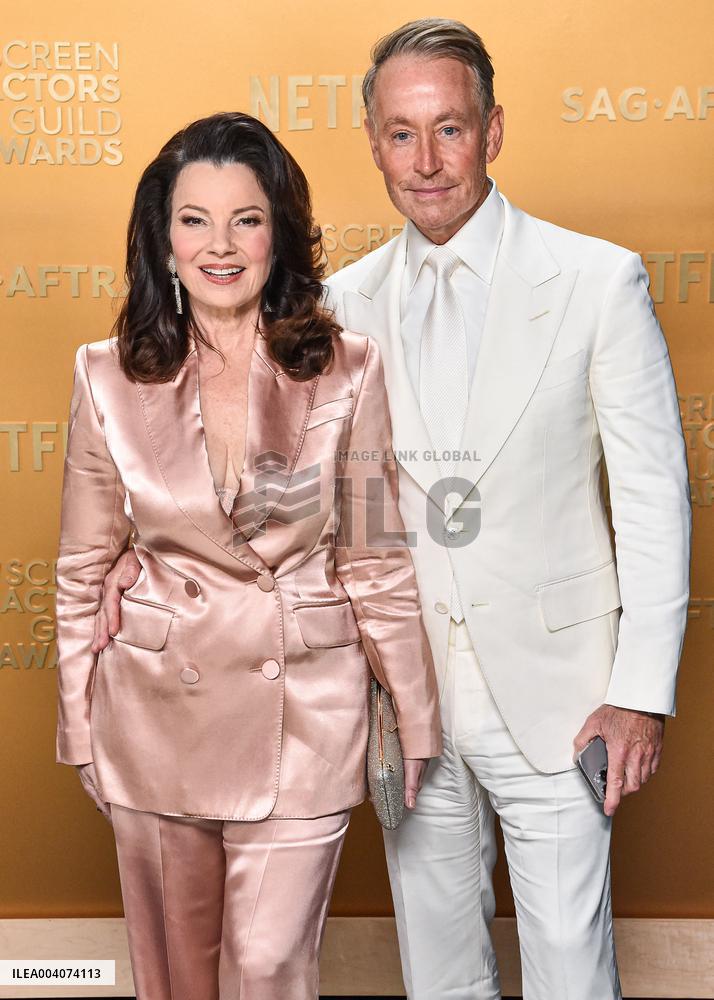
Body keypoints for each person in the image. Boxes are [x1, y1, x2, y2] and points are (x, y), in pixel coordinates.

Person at [93, 18, 692, 1000]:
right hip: (400, 703)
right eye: (401, 134)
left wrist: (640, 692)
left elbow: (654, 499)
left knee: (572, 976)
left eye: (449, 129)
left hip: (563, 697)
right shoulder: (338, 305)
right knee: (440, 976)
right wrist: (145, 557)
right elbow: (289, 497)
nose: (426, 161)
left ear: (493, 130)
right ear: (372, 141)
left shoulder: (597, 282)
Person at [55, 110, 442, 1000]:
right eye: (194, 220)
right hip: (154, 712)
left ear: (280, 233)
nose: (220, 246)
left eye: (247, 219)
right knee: (177, 977)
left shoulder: (348, 367)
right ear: (162, 240)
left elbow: (376, 556)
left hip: (303, 707)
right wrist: (80, 725)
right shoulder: (105, 375)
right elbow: (83, 568)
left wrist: (416, 715)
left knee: (269, 965)